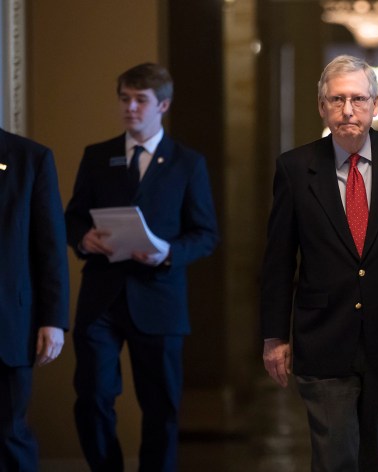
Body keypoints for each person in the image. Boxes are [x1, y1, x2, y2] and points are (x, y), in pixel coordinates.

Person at [260, 54, 378, 472]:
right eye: (337, 99)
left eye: (358, 99)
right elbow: (278, 260)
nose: (348, 110)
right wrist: (274, 336)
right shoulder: (295, 168)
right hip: (324, 338)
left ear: (376, 105)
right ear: (321, 106)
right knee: (335, 461)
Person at [65, 63, 219, 471]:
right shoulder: (97, 157)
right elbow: (74, 216)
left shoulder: (188, 163)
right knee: (93, 397)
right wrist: (83, 238)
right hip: (102, 299)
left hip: (160, 298)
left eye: (140, 100)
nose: (130, 108)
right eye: (124, 99)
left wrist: (166, 252)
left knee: (161, 409)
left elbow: (205, 234)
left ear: (162, 105)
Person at [0, 128, 69, 471]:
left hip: (8, 327)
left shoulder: (30, 158)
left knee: (8, 432)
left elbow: (50, 246)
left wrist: (53, 319)